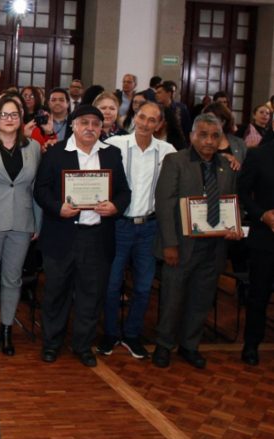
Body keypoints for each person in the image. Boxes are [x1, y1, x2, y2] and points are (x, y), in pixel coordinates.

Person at [34, 105, 131, 367]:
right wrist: (58, 208)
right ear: (74, 125)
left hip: (97, 236)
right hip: (62, 234)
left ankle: (82, 345)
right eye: (84, 122)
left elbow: (124, 192)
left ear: (103, 128)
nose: (90, 127)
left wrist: (115, 207)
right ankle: (52, 344)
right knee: (56, 292)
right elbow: (40, 190)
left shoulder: (111, 154)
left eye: (95, 124)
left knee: (91, 294)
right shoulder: (56, 153)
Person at [152, 114, 242, 369]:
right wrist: (170, 244)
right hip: (180, 246)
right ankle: (164, 344)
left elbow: (233, 203)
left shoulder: (226, 165)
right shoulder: (175, 161)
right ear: (192, 136)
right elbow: (164, 204)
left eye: (215, 136)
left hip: (214, 247)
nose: (209, 141)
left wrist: (236, 227)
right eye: (203, 135)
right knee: (172, 297)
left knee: (201, 298)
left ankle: (190, 345)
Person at [99, 102, 176, 359]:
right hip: (119, 225)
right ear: (135, 117)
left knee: (143, 287)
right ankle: (110, 333)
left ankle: (132, 334)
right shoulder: (116, 146)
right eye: (142, 117)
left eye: (152, 120)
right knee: (111, 285)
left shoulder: (168, 152)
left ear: (159, 124)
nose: (145, 123)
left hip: (149, 228)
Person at [0, 95, 42, 356]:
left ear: (21, 118)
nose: (10, 119)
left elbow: (34, 188)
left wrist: (38, 222)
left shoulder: (33, 147)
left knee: (13, 279)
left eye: (15, 114)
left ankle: (6, 331)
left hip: (22, 222)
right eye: (5, 114)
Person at [237, 136, 274, 366]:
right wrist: (262, 214)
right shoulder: (259, 154)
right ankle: (251, 344)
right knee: (259, 295)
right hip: (265, 238)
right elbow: (241, 193)